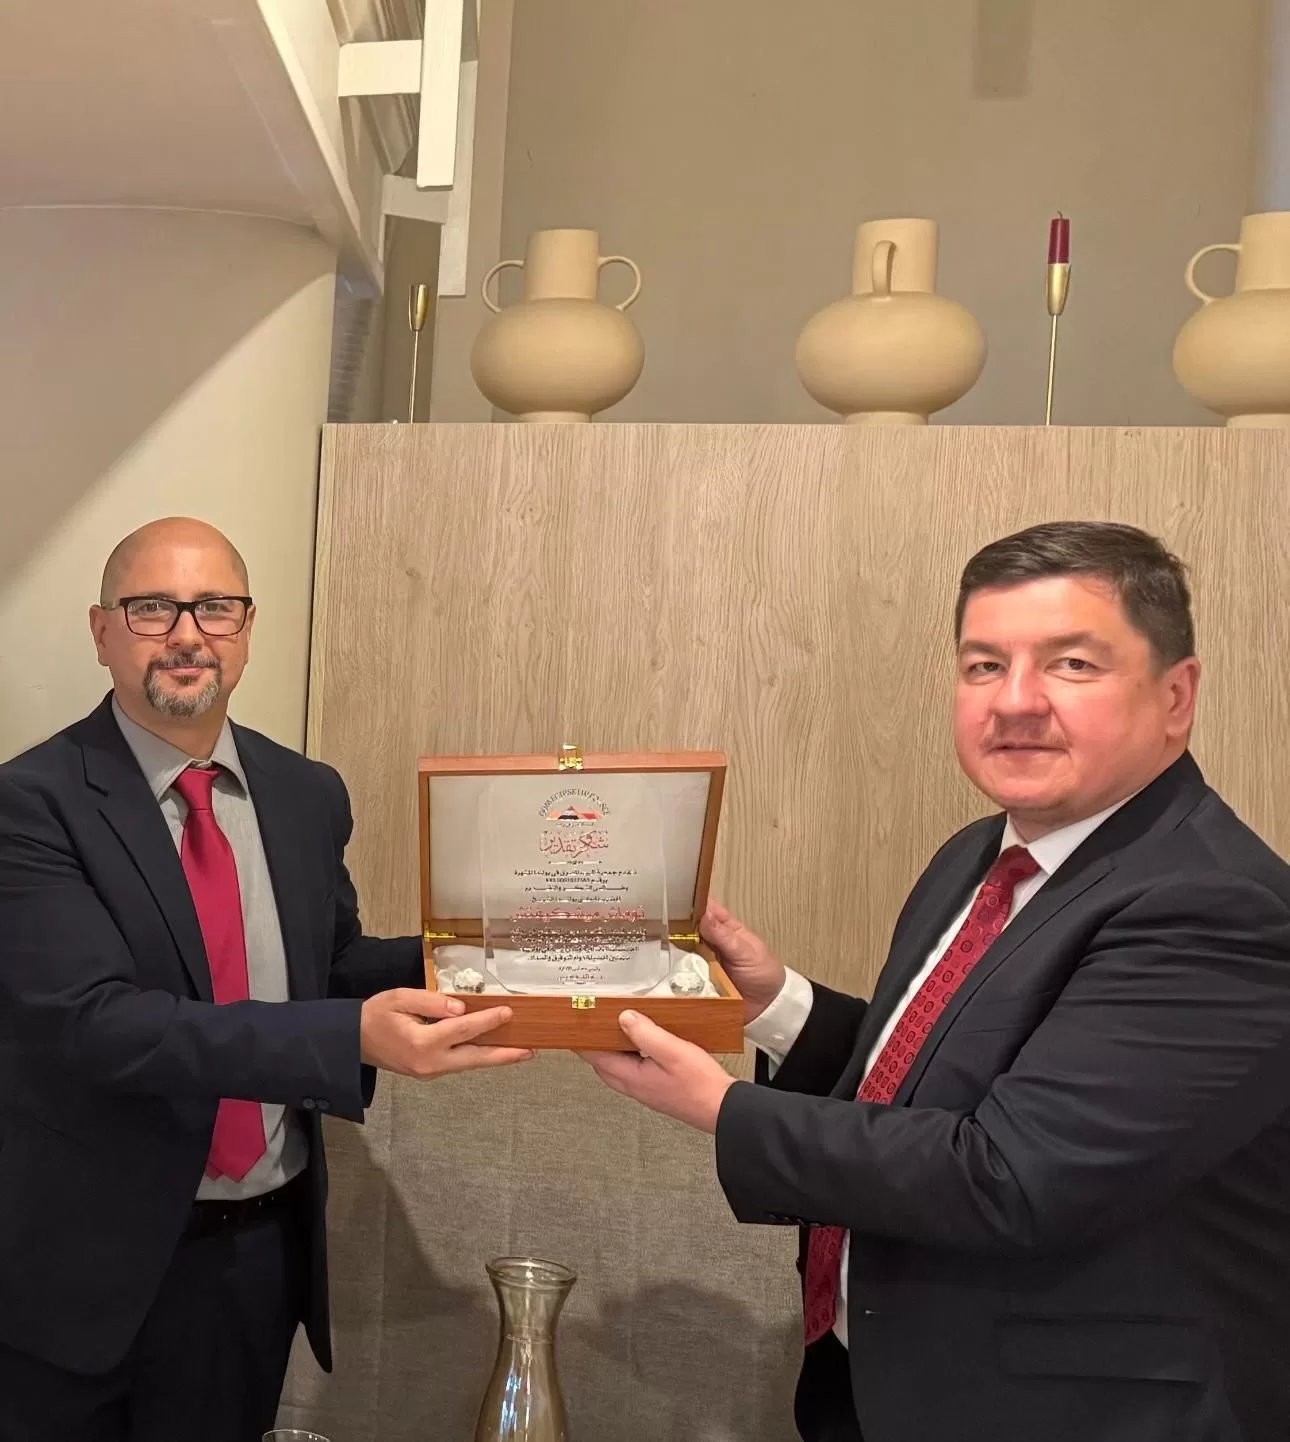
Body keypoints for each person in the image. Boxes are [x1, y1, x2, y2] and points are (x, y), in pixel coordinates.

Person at [585, 521, 1290, 1442]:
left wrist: (721, 1108)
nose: (1016, 702)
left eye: (1072, 665)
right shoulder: (981, 854)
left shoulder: (1213, 906)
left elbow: (1010, 1175)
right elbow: (937, 1084)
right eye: (984, 666)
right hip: (885, 1382)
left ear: (1175, 695)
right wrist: (776, 1006)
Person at [0, 517, 533, 1442]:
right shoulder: (31, 803)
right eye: (152, 608)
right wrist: (349, 1038)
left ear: (246, 629)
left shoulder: (306, 793)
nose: (187, 634)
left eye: (215, 607)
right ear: (101, 630)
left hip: (253, 1258)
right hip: (82, 1274)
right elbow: (96, 1024)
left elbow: (326, 967)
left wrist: (487, 958)